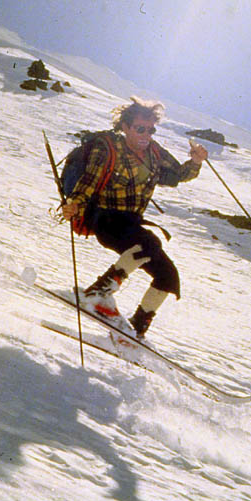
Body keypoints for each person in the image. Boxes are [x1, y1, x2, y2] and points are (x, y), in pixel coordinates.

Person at [61, 97, 208, 338]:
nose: (146, 134)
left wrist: (195, 162)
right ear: (125, 127)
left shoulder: (154, 153)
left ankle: (135, 331)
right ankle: (98, 294)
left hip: (131, 223)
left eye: (151, 129)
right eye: (140, 128)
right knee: (148, 243)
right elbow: (90, 180)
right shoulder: (108, 147)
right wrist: (75, 204)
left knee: (168, 277)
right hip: (105, 219)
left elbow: (177, 175)